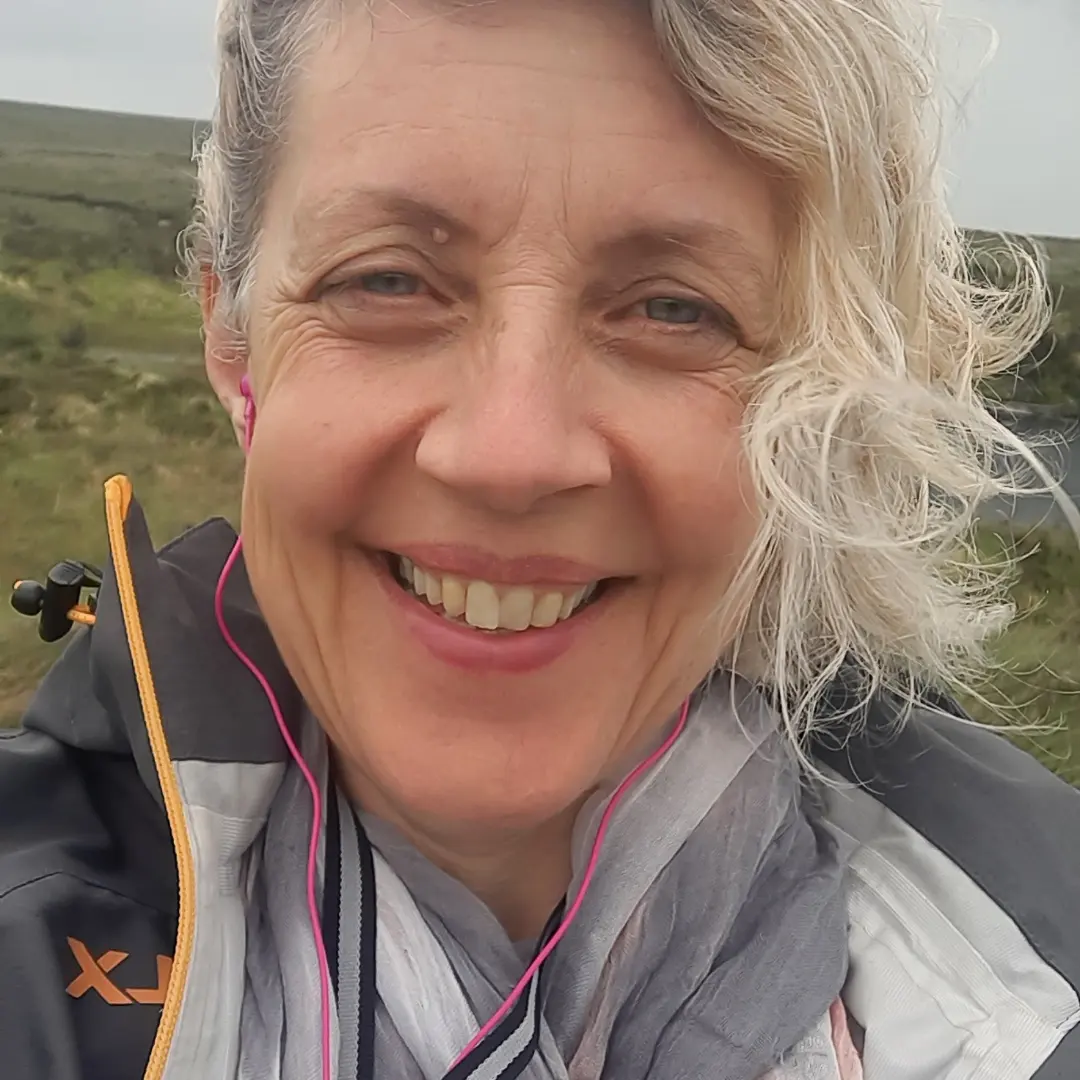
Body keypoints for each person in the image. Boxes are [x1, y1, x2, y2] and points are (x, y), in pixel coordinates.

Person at [3, 0, 1079, 1077]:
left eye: (674, 309)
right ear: (237, 351)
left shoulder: (1035, 979)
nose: (509, 453)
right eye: (384, 281)